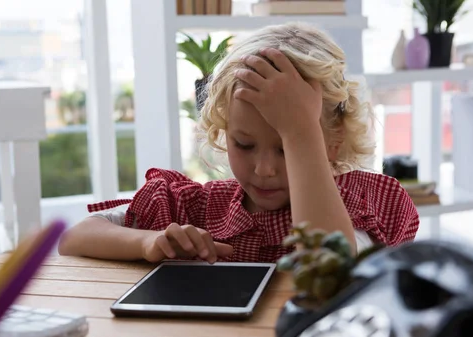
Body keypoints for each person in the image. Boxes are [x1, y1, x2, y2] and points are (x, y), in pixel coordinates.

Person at [58, 22, 419, 263]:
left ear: (334, 140)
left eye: (285, 148)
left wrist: (300, 130)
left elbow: (331, 263)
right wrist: (148, 242)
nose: (263, 169)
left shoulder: (365, 203)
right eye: (244, 145)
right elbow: (76, 237)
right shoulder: (199, 208)